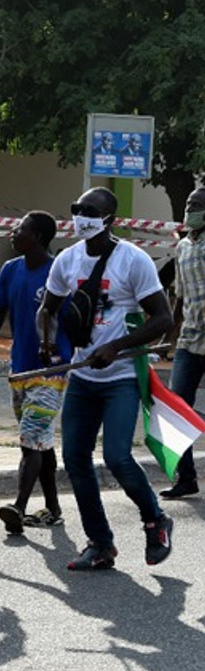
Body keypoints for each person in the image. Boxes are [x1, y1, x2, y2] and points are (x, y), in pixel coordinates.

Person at [37, 187, 174, 570]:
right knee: (75, 459)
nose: (82, 216)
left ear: (110, 219)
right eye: (77, 208)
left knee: (116, 456)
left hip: (121, 377)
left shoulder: (133, 260)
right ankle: (100, 543)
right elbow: (47, 308)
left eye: (91, 211)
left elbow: (163, 320)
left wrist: (116, 346)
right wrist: (47, 344)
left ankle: (156, 520)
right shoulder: (67, 260)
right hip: (83, 376)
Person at [0, 212, 71, 533]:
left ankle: (19, 506)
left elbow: (75, 319)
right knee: (40, 441)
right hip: (20, 370)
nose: (13, 233)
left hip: (52, 370)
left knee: (30, 439)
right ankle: (53, 508)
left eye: (20, 229)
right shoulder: (10, 270)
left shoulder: (59, 273)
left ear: (39, 237)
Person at [161, 187, 205, 499]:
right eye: (188, 203)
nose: (190, 209)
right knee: (177, 409)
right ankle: (185, 478)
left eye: (197, 205)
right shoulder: (184, 247)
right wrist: (169, 336)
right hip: (190, 340)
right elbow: (179, 296)